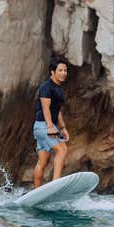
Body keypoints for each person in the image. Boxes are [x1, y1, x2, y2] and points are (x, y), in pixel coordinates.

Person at [32, 58, 70, 188]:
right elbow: (45, 107)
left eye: (65, 70)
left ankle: (36, 192)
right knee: (62, 150)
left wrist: (63, 127)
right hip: (43, 125)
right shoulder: (46, 86)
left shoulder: (58, 89)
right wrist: (50, 127)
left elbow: (57, 111)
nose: (63, 73)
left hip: (45, 126)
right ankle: (56, 185)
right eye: (60, 70)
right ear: (52, 72)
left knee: (43, 161)